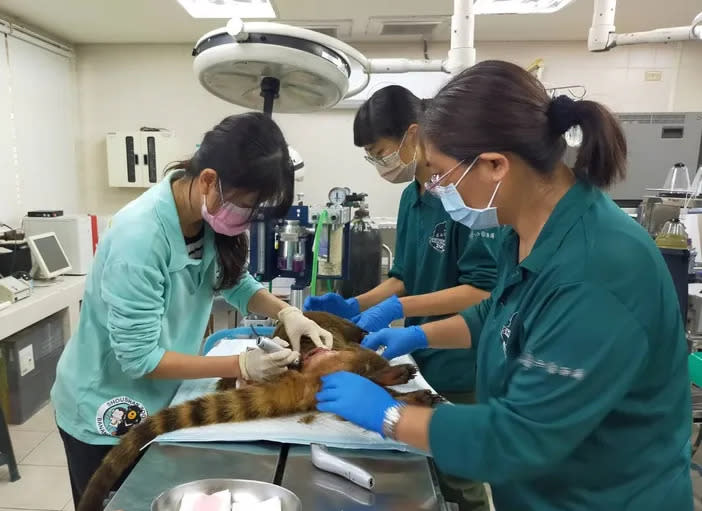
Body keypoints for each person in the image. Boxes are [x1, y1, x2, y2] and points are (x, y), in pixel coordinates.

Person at [316, 60, 692, 510]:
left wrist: (389, 415)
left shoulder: (598, 271)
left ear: (495, 165)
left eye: (440, 174)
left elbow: (518, 437)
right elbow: (498, 309)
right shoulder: (524, 232)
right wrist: (416, 332)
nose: (435, 188)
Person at [51, 112, 333, 506]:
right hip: (107, 404)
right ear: (207, 181)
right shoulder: (140, 238)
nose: (245, 220)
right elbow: (139, 358)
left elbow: (235, 283)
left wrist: (287, 314)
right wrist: (239, 366)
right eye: (246, 206)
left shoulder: (202, 219)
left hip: (161, 397)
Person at [306, 85, 498, 511]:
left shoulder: (464, 197)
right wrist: (358, 304)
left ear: (412, 136)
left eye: (380, 151)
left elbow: (482, 290)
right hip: (420, 358)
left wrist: (399, 312)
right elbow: (404, 277)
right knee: (423, 468)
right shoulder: (413, 197)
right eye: (370, 156)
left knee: (460, 476)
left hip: (461, 362)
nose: (378, 163)